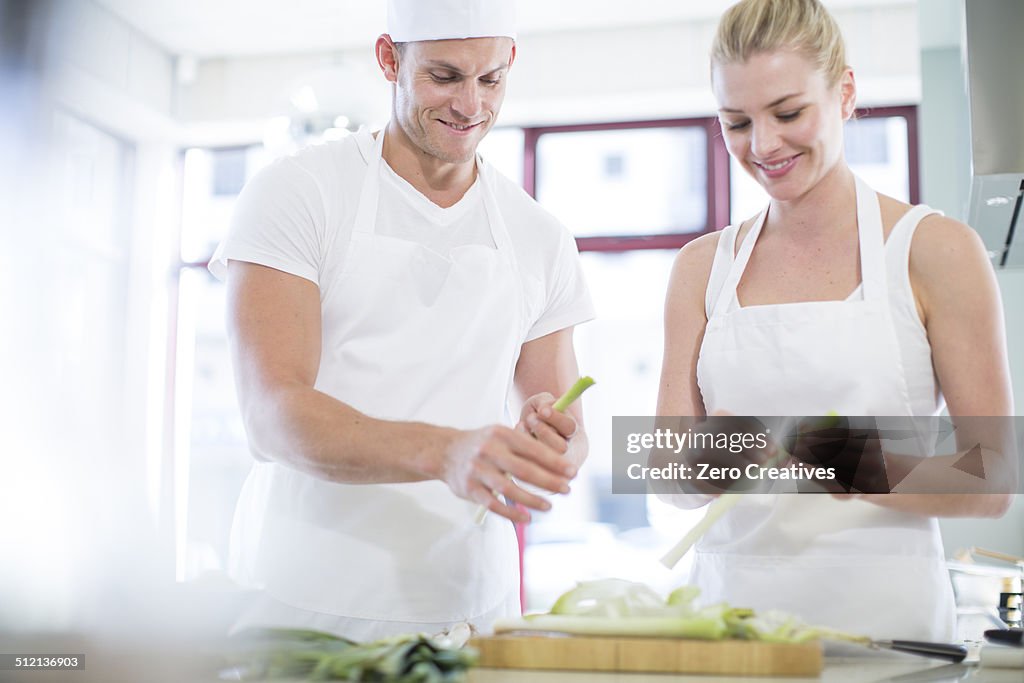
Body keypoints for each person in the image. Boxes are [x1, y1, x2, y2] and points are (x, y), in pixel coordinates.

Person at [209, 0, 595, 640]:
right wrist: (446, 451)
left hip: (467, 602)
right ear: (390, 58)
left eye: (491, 79)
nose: (470, 106)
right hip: (301, 600)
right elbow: (270, 416)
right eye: (443, 77)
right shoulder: (298, 192)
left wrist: (552, 443)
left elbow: (569, 428)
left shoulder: (540, 236)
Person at [657, 0, 1014, 642]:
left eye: (788, 113)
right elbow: (666, 474)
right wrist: (726, 453)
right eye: (736, 122)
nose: (762, 145)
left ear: (845, 92)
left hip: (888, 632)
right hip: (730, 627)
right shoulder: (699, 268)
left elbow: (992, 479)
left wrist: (849, 461)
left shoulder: (934, 250)